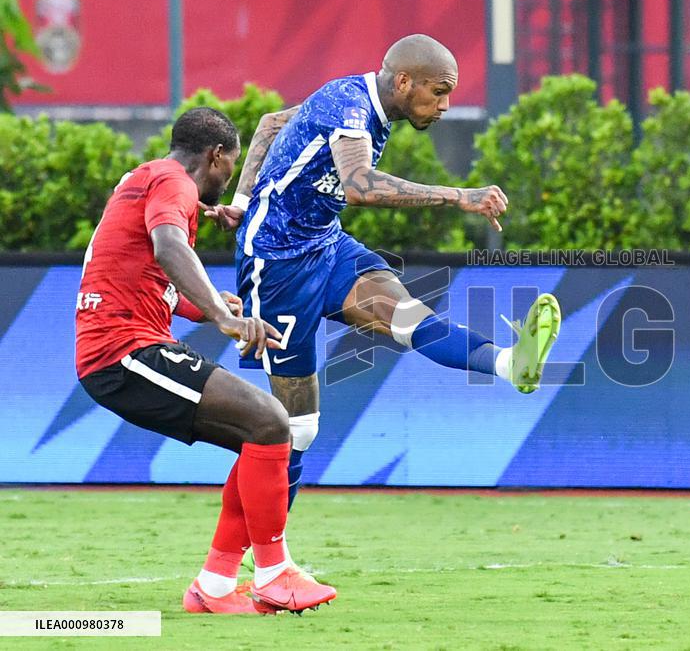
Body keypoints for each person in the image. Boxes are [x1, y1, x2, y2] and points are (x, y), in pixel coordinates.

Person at [203, 34, 561, 509]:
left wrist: (243, 202)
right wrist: (461, 196)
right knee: (296, 430)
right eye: (439, 92)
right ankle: (255, 559)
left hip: (327, 247)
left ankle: (510, 364)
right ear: (405, 81)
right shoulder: (350, 105)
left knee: (411, 321)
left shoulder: (366, 107)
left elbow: (271, 124)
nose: (446, 105)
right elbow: (359, 186)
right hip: (277, 263)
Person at [75, 107, 336, 615]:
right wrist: (223, 317)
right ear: (215, 156)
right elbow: (168, 245)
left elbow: (153, 275)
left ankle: (214, 586)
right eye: (231, 166)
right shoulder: (173, 184)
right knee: (268, 420)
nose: (230, 178)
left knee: (260, 434)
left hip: (122, 347)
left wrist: (209, 303)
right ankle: (275, 573)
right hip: (122, 352)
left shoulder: (148, 178)